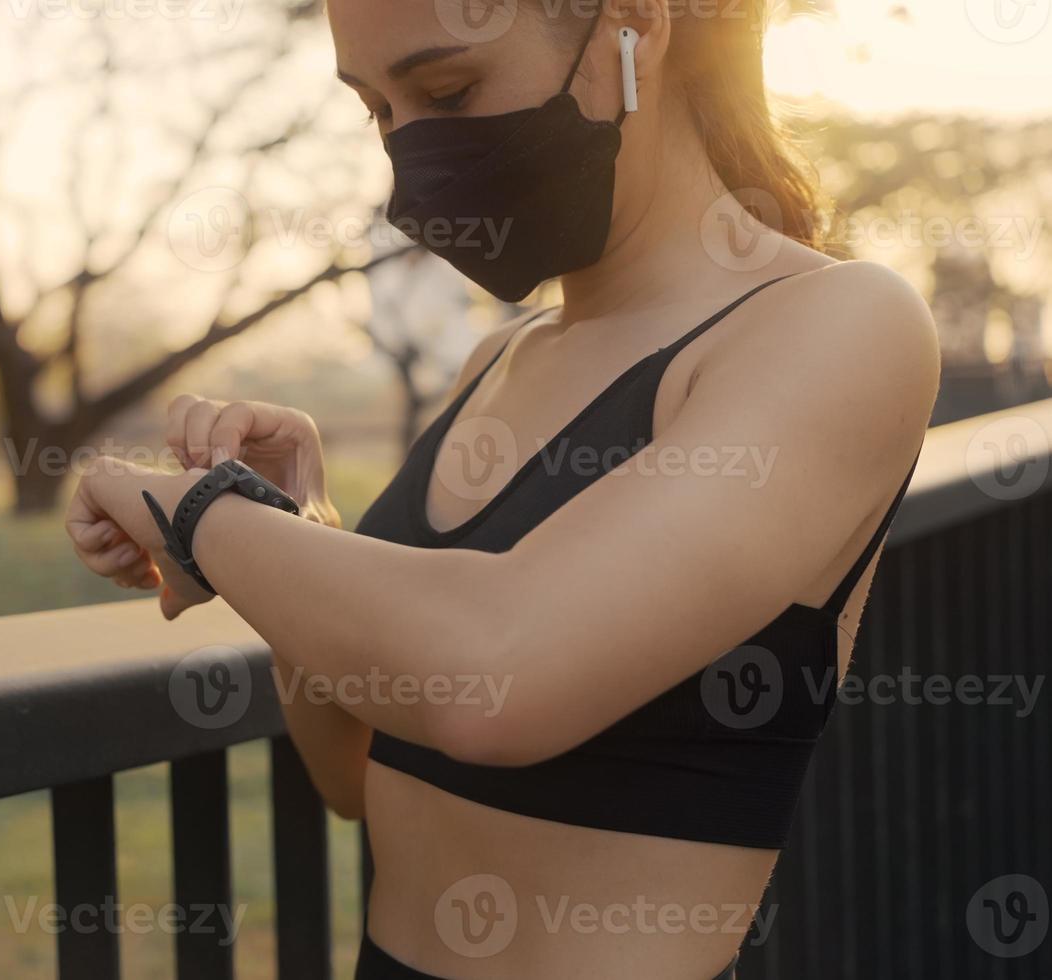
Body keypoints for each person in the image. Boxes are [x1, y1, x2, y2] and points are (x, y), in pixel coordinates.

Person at [65, 1, 940, 976]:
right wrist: (292, 521)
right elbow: (349, 771)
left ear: (633, 26)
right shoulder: (495, 361)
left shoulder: (837, 322)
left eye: (446, 89)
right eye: (378, 110)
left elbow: (495, 677)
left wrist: (196, 513)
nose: (413, 148)